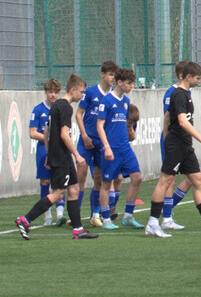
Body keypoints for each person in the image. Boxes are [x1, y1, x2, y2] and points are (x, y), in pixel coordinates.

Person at [144, 61, 201, 237]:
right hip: (177, 144)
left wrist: (169, 134)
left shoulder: (186, 94)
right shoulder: (179, 95)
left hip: (184, 145)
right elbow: (182, 121)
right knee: (165, 181)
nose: (199, 81)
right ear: (188, 77)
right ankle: (153, 223)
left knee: (197, 181)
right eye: (197, 78)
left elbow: (168, 117)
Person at [16, 74, 99, 240]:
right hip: (62, 157)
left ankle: (78, 229)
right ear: (72, 90)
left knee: (74, 189)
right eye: (81, 92)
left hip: (61, 156)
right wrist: (77, 154)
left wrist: (48, 153)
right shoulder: (66, 108)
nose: (82, 95)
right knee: (58, 194)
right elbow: (64, 134)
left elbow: (46, 131)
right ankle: (25, 220)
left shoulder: (56, 106)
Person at [99, 68, 143, 229]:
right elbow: (100, 126)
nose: (132, 86)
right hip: (111, 148)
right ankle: (106, 219)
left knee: (137, 177)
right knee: (106, 182)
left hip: (125, 148)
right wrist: (107, 147)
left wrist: (130, 135)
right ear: (119, 82)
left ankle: (128, 216)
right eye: (129, 83)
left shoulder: (125, 102)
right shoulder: (106, 101)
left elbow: (123, 125)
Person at [76, 61, 118, 227]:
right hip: (86, 141)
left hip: (102, 144)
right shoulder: (90, 92)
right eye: (110, 75)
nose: (112, 78)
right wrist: (84, 135)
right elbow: (79, 114)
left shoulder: (113, 96)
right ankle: (76, 213)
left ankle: (95, 215)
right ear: (102, 74)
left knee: (99, 179)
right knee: (80, 176)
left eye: (114, 75)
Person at [158, 61, 194, 230]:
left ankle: (167, 210)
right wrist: (166, 141)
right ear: (183, 76)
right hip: (173, 140)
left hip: (184, 140)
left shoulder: (187, 92)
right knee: (169, 180)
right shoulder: (172, 93)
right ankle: (165, 218)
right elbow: (167, 118)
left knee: (192, 179)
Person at [29, 79, 64, 226]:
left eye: (56, 92)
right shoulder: (38, 110)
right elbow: (32, 132)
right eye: (50, 92)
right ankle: (47, 215)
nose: (53, 95)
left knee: (59, 181)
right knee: (44, 181)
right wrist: (48, 138)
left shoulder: (62, 108)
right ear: (46, 92)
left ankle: (60, 215)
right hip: (43, 149)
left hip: (58, 150)